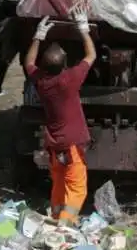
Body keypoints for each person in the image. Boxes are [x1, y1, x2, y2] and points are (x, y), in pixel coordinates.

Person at [23, 13, 96, 225]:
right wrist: (83, 28)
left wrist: (38, 36)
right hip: (72, 144)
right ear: (64, 66)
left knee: (59, 182)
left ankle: (55, 215)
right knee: (76, 186)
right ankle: (64, 224)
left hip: (55, 144)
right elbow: (91, 55)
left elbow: (29, 62)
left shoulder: (41, 81)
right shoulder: (69, 80)